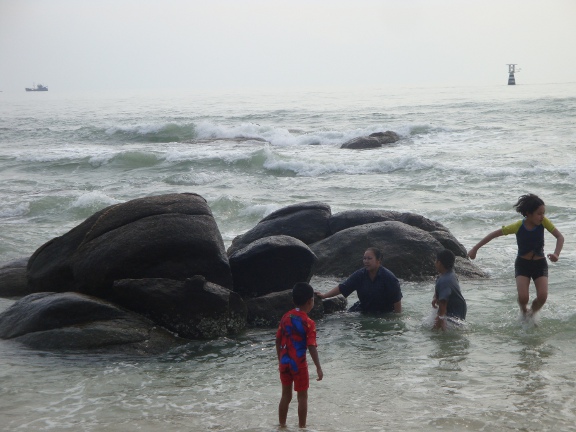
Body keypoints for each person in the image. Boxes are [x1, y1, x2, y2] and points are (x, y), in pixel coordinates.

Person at [468, 193, 564, 317]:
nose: (542, 217)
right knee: (523, 297)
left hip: (540, 264)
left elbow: (560, 237)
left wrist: (556, 253)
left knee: (542, 297)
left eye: (543, 213)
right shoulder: (518, 226)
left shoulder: (544, 223)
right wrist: (475, 248)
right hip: (522, 264)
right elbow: (494, 234)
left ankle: (532, 314)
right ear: (528, 214)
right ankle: (524, 310)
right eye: (539, 214)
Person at [276, 282, 323, 428]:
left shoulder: (285, 317)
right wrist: (318, 367)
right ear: (310, 301)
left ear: (293, 300)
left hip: (285, 361)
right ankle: (302, 428)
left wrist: (280, 359)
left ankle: (282, 425)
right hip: (299, 364)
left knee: (285, 396)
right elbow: (311, 346)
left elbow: (277, 340)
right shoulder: (308, 322)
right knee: (302, 397)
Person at [315, 247, 402, 313]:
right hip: (363, 309)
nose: (366, 261)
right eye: (364, 258)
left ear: (378, 260)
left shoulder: (389, 278)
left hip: (384, 312)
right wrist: (324, 296)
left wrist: (396, 320)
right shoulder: (359, 275)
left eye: (369, 258)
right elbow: (342, 287)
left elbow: (397, 300)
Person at [432, 249, 467, 330]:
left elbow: (443, 302)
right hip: (460, 306)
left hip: (454, 310)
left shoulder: (445, 280)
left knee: (440, 330)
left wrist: (440, 319)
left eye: (435, 260)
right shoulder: (449, 274)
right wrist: (435, 297)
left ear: (439, 263)